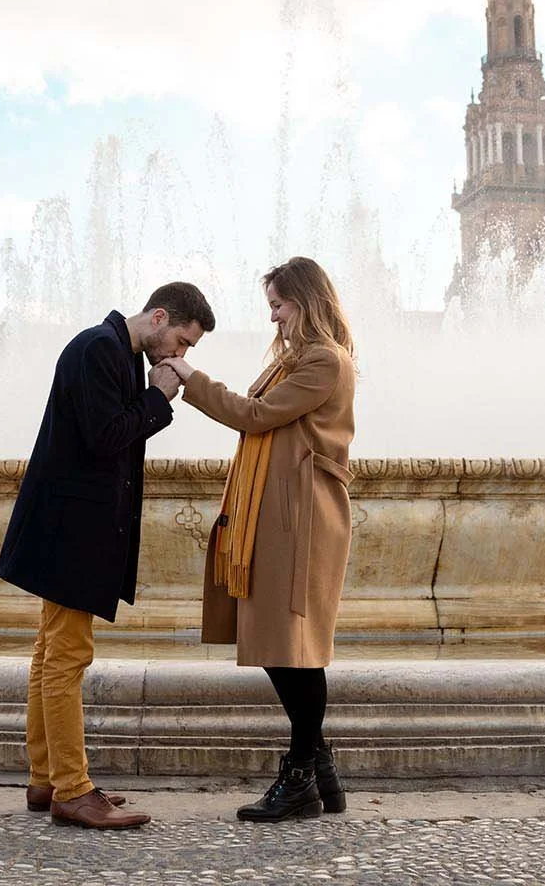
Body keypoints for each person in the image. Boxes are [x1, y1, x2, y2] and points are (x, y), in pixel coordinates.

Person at [0, 282, 215, 830]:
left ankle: (46, 780)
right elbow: (105, 437)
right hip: (74, 529)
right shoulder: (99, 348)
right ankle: (72, 789)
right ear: (160, 317)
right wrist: (158, 397)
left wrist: (150, 394)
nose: (180, 357)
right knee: (68, 656)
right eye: (182, 342)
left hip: (69, 526)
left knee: (51, 651)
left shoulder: (113, 350)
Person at [156, 256, 356, 823]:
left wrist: (191, 379)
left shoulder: (322, 360)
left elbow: (257, 416)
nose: (273, 319)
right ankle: (318, 769)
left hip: (301, 518)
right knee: (279, 643)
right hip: (280, 514)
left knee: (294, 648)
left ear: (306, 301)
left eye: (278, 306)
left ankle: (300, 777)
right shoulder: (301, 359)